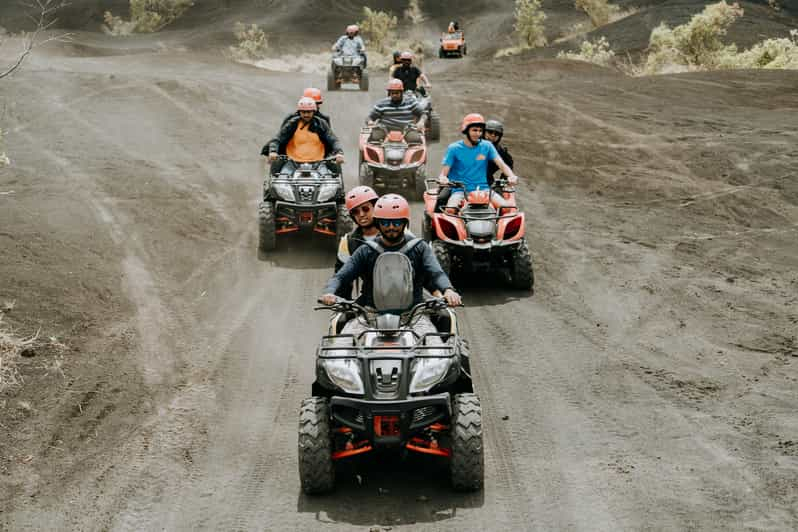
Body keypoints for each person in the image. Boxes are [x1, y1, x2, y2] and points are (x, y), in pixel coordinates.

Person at [320, 194, 462, 319]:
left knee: (445, 321)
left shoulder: (419, 247)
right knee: (340, 327)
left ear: (405, 223)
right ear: (378, 223)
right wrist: (329, 292)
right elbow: (341, 276)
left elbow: (436, 273)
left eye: (397, 222)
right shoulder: (366, 250)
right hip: (370, 313)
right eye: (386, 222)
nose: (391, 227)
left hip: (415, 314)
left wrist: (448, 290)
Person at [438, 113, 519, 213]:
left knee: (506, 209)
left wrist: (511, 176)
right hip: (460, 190)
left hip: (484, 189)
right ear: (466, 131)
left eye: (480, 131)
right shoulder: (454, 148)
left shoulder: (487, 146)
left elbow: (501, 164)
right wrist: (443, 179)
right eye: (474, 130)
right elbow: (444, 173)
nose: (478, 134)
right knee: (450, 210)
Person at [262, 97, 344, 176]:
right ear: (299, 112)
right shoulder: (292, 124)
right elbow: (277, 139)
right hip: (292, 164)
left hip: (318, 164)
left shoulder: (321, 124)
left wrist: (339, 153)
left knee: (330, 183)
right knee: (280, 182)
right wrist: (273, 152)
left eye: (309, 112)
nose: (306, 115)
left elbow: (333, 140)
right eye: (303, 112)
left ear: (314, 111)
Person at [334, 185, 380, 298]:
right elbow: (343, 278)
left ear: (376, 207)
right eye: (355, 211)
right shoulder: (348, 242)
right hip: (370, 303)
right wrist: (344, 305)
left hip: (406, 300)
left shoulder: (397, 231)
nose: (361, 214)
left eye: (365, 209)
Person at [366, 79, 425, 143]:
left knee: (415, 141)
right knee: (374, 139)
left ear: (401, 92)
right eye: (392, 93)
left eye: (397, 93)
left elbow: (423, 114)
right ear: (389, 93)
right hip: (385, 130)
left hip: (407, 130)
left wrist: (421, 121)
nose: (394, 95)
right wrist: (370, 122)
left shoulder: (410, 102)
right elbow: (369, 117)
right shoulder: (382, 104)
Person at [484, 119, 513, 186]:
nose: (493, 135)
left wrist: (502, 183)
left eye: (497, 134)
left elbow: (509, 165)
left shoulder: (501, 151)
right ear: (484, 132)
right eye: (490, 132)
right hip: (465, 182)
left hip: (487, 183)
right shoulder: (472, 145)